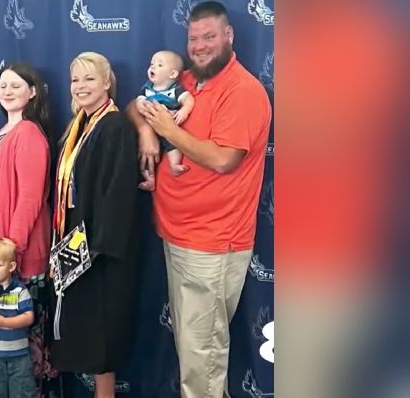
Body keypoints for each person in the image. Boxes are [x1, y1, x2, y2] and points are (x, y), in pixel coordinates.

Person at [125, 2, 272, 398]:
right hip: (176, 234)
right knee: (193, 352)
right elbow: (134, 106)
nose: (201, 45)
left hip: (212, 243)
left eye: (209, 37)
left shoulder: (243, 91)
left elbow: (225, 159)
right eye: (194, 38)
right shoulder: (185, 79)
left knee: (202, 357)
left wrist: (166, 129)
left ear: (229, 36)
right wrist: (144, 129)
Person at [49, 51, 140, 398]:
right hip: (77, 240)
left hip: (101, 249)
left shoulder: (114, 125)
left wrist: (90, 250)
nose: (80, 86)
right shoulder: (79, 126)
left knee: (103, 334)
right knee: (88, 335)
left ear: (106, 83)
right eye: (75, 79)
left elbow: (116, 194)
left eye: (89, 78)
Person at [0, 62, 59, 397]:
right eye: (3, 86)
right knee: (0, 341)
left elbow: (30, 196)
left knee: (25, 341)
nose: (7, 91)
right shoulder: (4, 131)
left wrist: (13, 248)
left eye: (16, 85)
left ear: (33, 92)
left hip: (17, 252)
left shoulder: (28, 133)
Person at [0, 237, 37, 398]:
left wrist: (5, 322)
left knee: (21, 391)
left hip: (18, 355)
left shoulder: (19, 290)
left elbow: (28, 317)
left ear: (11, 266)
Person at [135, 50, 195, 181]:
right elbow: (138, 101)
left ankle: (174, 165)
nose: (153, 67)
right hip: (151, 126)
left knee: (173, 146)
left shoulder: (175, 89)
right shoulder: (147, 88)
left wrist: (183, 111)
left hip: (167, 127)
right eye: (152, 64)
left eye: (160, 65)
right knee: (146, 155)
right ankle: (149, 179)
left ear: (173, 74)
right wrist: (141, 106)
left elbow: (189, 100)